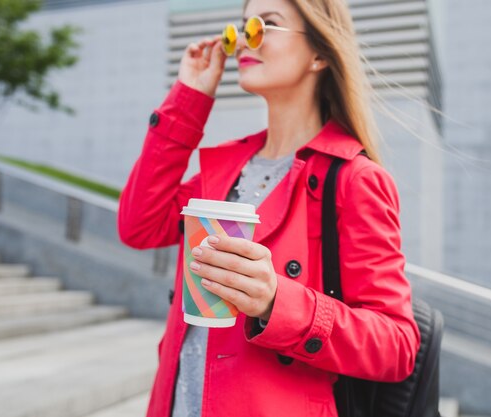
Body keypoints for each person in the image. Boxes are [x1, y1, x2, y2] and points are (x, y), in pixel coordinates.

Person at [118, 0, 420, 416]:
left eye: (265, 26)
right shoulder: (225, 169)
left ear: (318, 53)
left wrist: (278, 301)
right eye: (240, 28)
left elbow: (397, 344)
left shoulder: (354, 179)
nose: (244, 39)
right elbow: (139, 225)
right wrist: (188, 98)